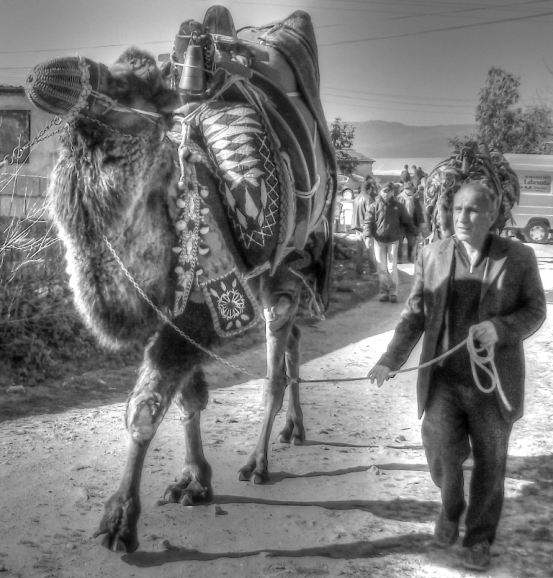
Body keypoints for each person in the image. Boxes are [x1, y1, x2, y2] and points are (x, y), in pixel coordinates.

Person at [367, 182, 546, 571]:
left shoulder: (518, 257)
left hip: (492, 382)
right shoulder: (431, 254)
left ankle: (479, 538)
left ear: (493, 215)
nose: (462, 217)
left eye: (473, 210)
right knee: (440, 452)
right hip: (443, 380)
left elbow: (535, 310)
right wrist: (389, 360)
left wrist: (501, 328)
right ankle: (451, 506)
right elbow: (414, 316)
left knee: (490, 462)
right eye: (458, 209)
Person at [363, 181, 417, 302]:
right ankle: (384, 292)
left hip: (393, 240)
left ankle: (393, 293)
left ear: (393, 192)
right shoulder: (373, 206)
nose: (387, 194)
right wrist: (367, 236)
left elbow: (407, 221)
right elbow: (368, 222)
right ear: (380, 192)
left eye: (389, 191)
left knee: (392, 267)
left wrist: (416, 232)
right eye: (385, 191)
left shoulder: (398, 206)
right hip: (379, 240)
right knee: (381, 268)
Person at [351, 177, 378, 275]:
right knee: (369, 249)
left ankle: (359, 270)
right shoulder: (368, 198)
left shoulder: (356, 198)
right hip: (365, 228)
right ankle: (373, 269)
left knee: (360, 250)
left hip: (357, 226)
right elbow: (370, 215)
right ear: (369, 189)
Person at [396, 181, 426, 262]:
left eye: (413, 189)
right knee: (399, 242)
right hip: (401, 224)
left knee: (412, 242)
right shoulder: (399, 199)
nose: (412, 191)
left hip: (412, 223)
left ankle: (410, 258)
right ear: (406, 189)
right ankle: (399, 259)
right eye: (411, 189)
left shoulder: (414, 199)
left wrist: (421, 222)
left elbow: (419, 212)